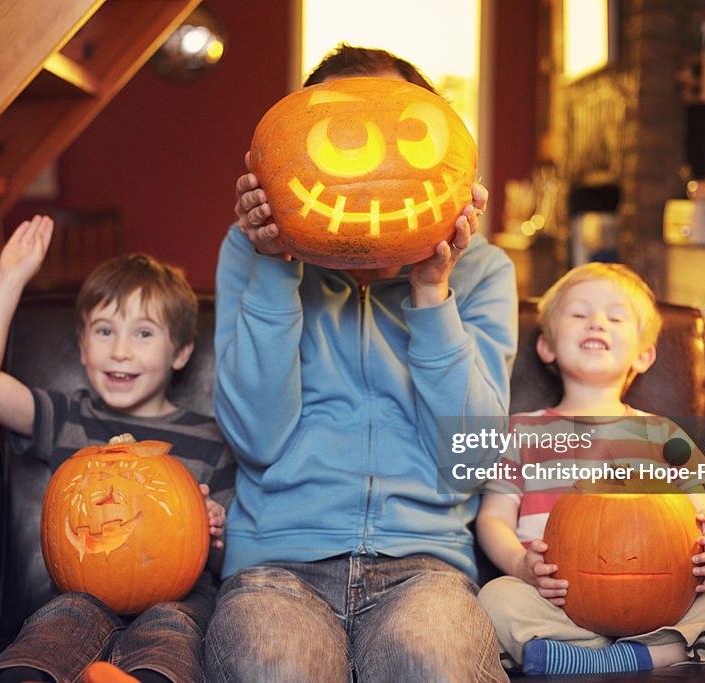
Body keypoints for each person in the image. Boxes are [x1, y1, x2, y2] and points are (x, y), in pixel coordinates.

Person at [206, 45, 516, 682]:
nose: (372, 163)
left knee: (436, 662)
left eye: (400, 132)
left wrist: (433, 292)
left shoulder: (482, 272)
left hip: (424, 569)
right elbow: (256, 441)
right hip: (276, 565)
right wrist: (275, 269)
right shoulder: (251, 252)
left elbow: (474, 461)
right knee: (276, 668)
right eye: (344, 136)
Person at [0, 215, 234, 683]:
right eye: (105, 332)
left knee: (174, 630)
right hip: (78, 593)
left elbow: (226, 560)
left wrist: (213, 526)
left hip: (177, 600)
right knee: (58, 623)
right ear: (83, 348)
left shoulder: (212, 437)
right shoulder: (66, 416)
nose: (120, 351)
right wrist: (10, 278)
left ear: (182, 352)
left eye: (143, 333)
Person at [476, 262, 705, 676]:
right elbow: (492, 519)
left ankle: (619, 655)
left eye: (615, 317)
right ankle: (635, 652)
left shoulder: (662, 433)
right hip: (556, 603)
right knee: (495, 599)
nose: (597, 322)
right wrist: (520, 565)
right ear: (546, 346)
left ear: (644, 354)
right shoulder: (522, 431)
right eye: (579, 314)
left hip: (665, 602)